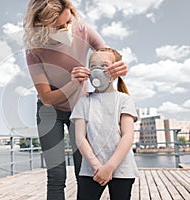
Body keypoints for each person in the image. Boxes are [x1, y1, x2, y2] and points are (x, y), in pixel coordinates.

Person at [23, 0, 128, 199]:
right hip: (49, 112)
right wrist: (74, 83)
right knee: (56, 174)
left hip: (80, 109)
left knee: (84, 171)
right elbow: (47, 98)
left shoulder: (83, 30)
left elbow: (108, 57)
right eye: (59, 27)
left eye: (68, 21)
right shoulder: (33, 51)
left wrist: (119, 66)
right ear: (43, 27)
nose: (67, 29)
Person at [70, 48, 138, 200]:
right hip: (90, 171)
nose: (97, 70)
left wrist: (109, 167)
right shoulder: (83, 102)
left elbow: (128, 135)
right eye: (93, 66)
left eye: (104, 65)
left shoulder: (124, 100)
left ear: (116, 70)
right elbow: (80, 137)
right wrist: (98, 167)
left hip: (122, 169)